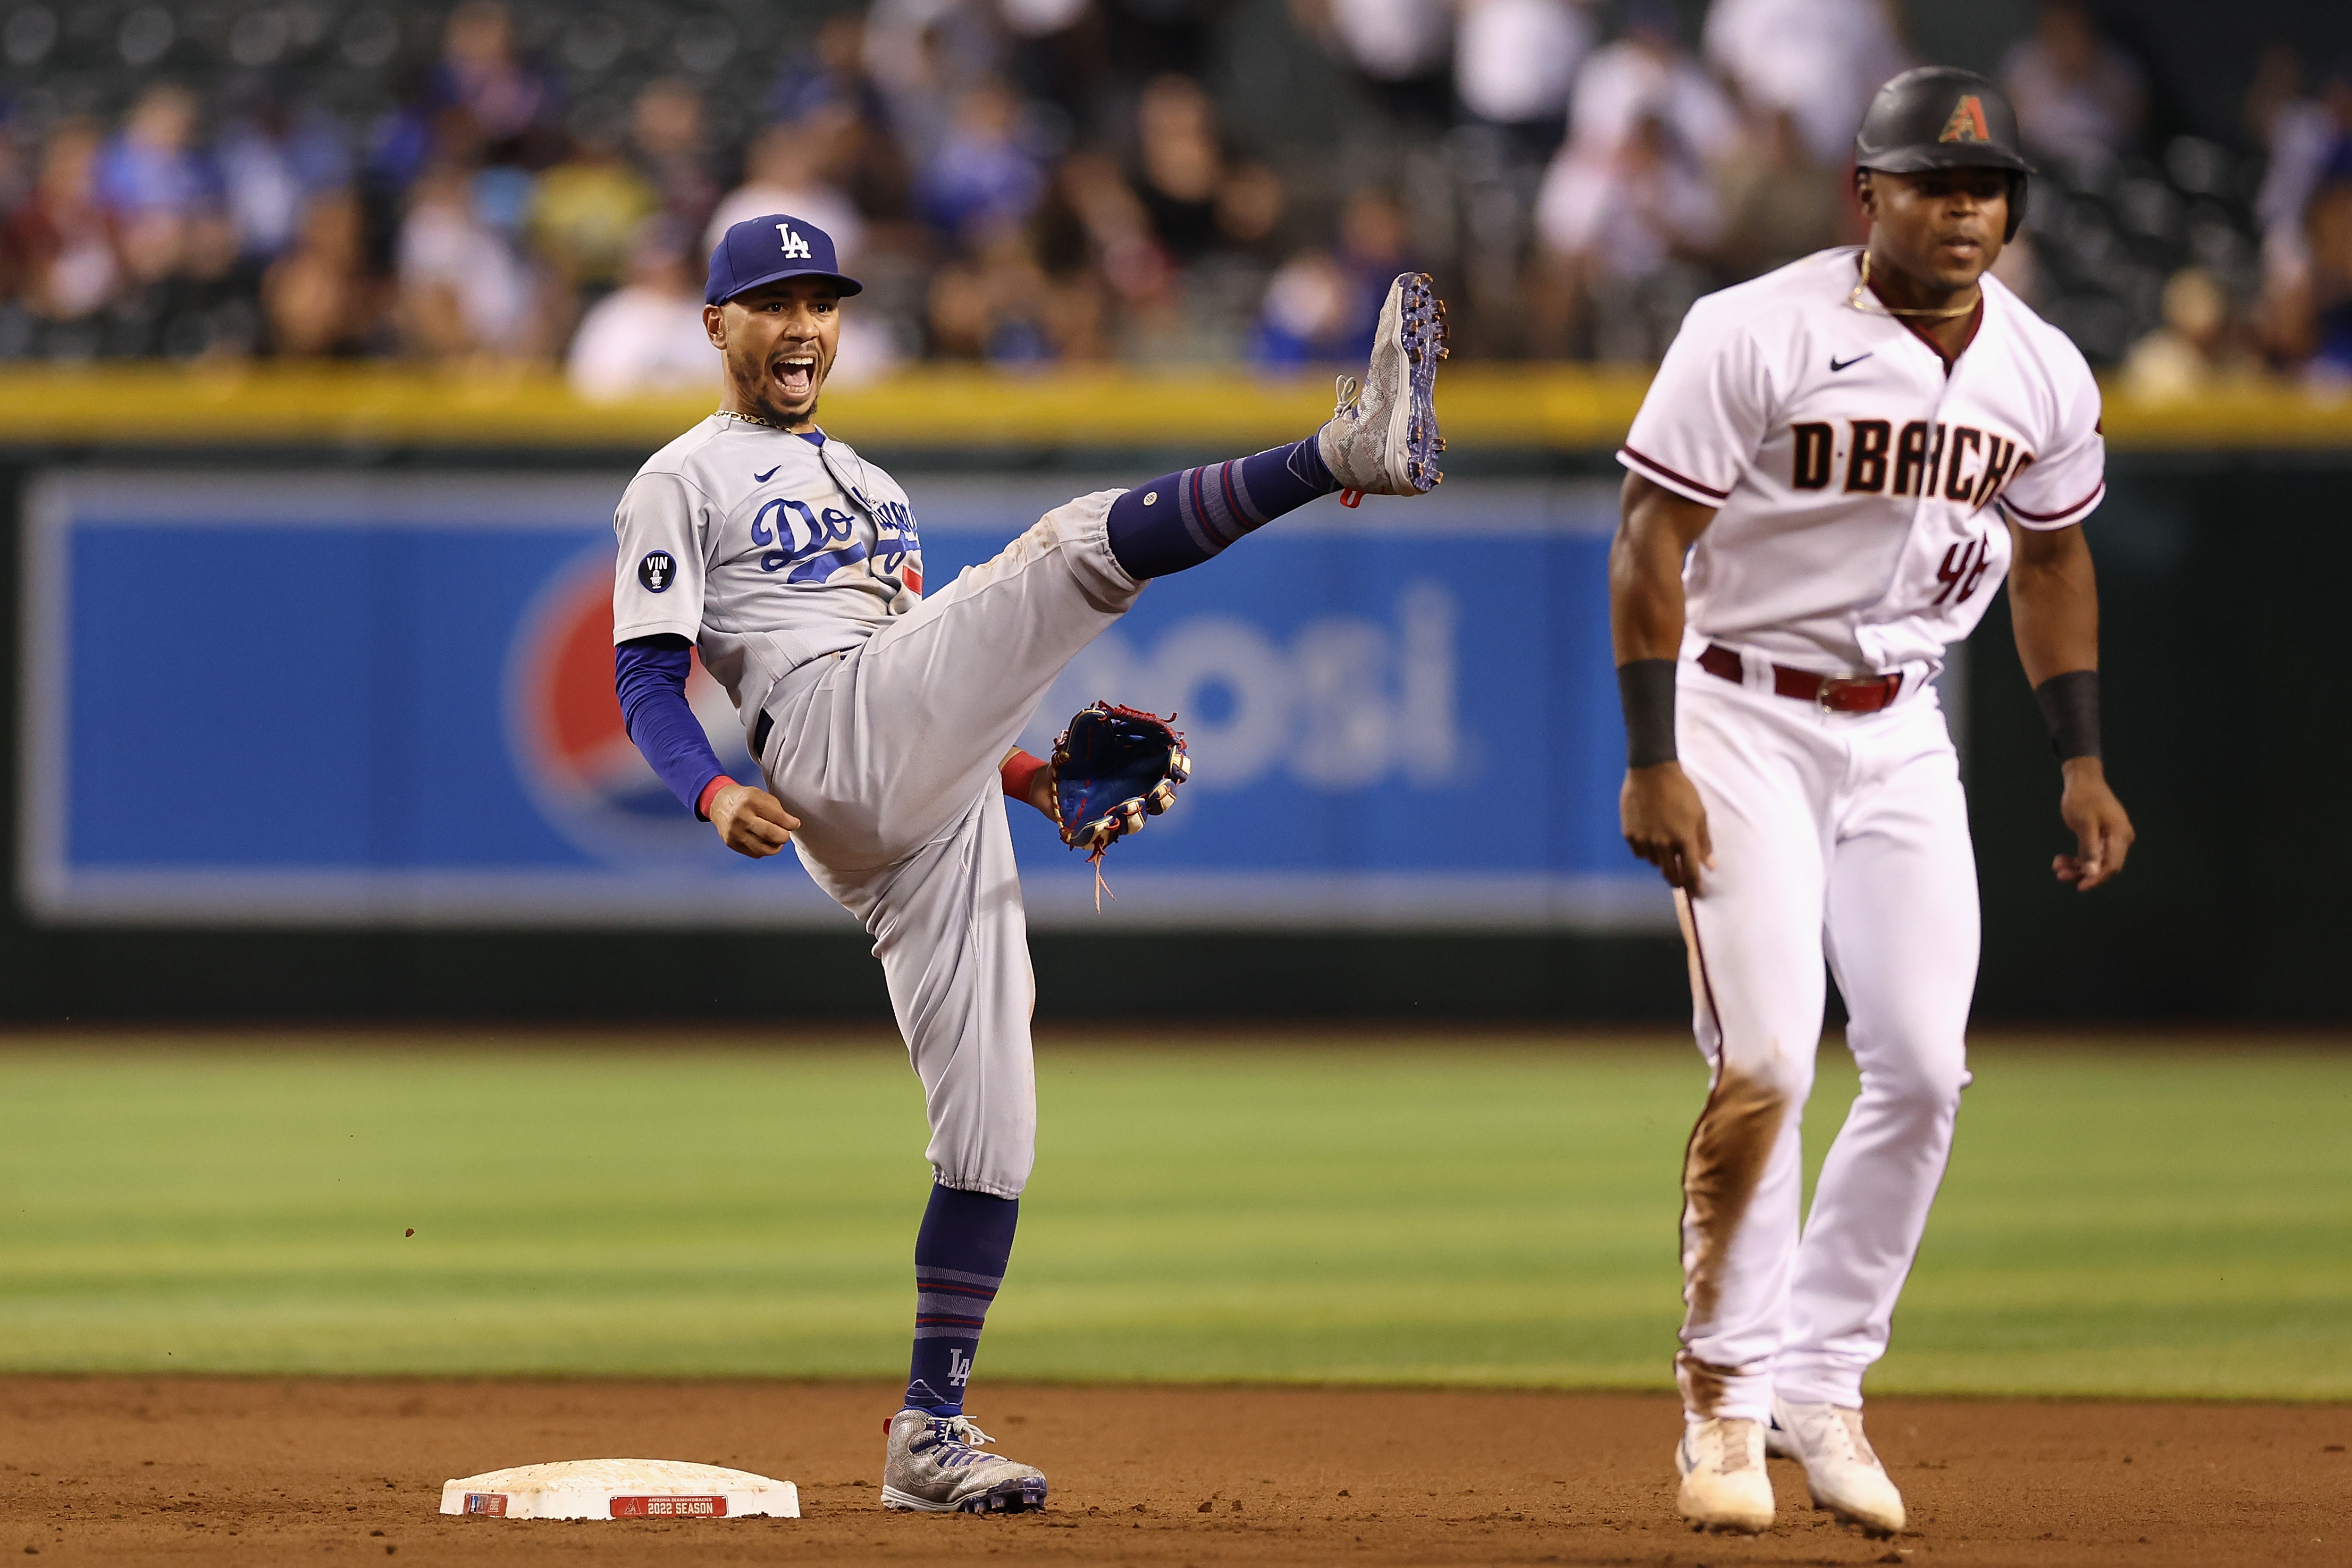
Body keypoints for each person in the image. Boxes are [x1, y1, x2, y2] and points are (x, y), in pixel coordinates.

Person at [607, 212, 1446, 1513]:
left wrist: (1030, 775)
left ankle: (927, 1429)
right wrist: (710, 789)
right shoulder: (680, 478)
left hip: (917, 788)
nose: (802, 325)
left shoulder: (878, 489)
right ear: (716, 323)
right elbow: (645, 677)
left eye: (820, 300)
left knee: (993, 1128)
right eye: (772, 302)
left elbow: (941, 684)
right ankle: (1340, 450)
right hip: (818, 733)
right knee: (1069, 547)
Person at [1608, 68, 2133, 1536]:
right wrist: (1655, 754)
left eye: (1985, 188)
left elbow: (2053, 560)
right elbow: (1652, 537)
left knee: (1923, 1065)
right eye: (1933, 184)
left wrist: (2079, 756)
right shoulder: (1755, 329)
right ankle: (1721, 1399)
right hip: (1736, 710)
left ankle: (1820, 1383)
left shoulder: (2043, 368)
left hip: (1903, 730)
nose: (1964, 209)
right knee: (1769, 1055)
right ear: (1867, 195)